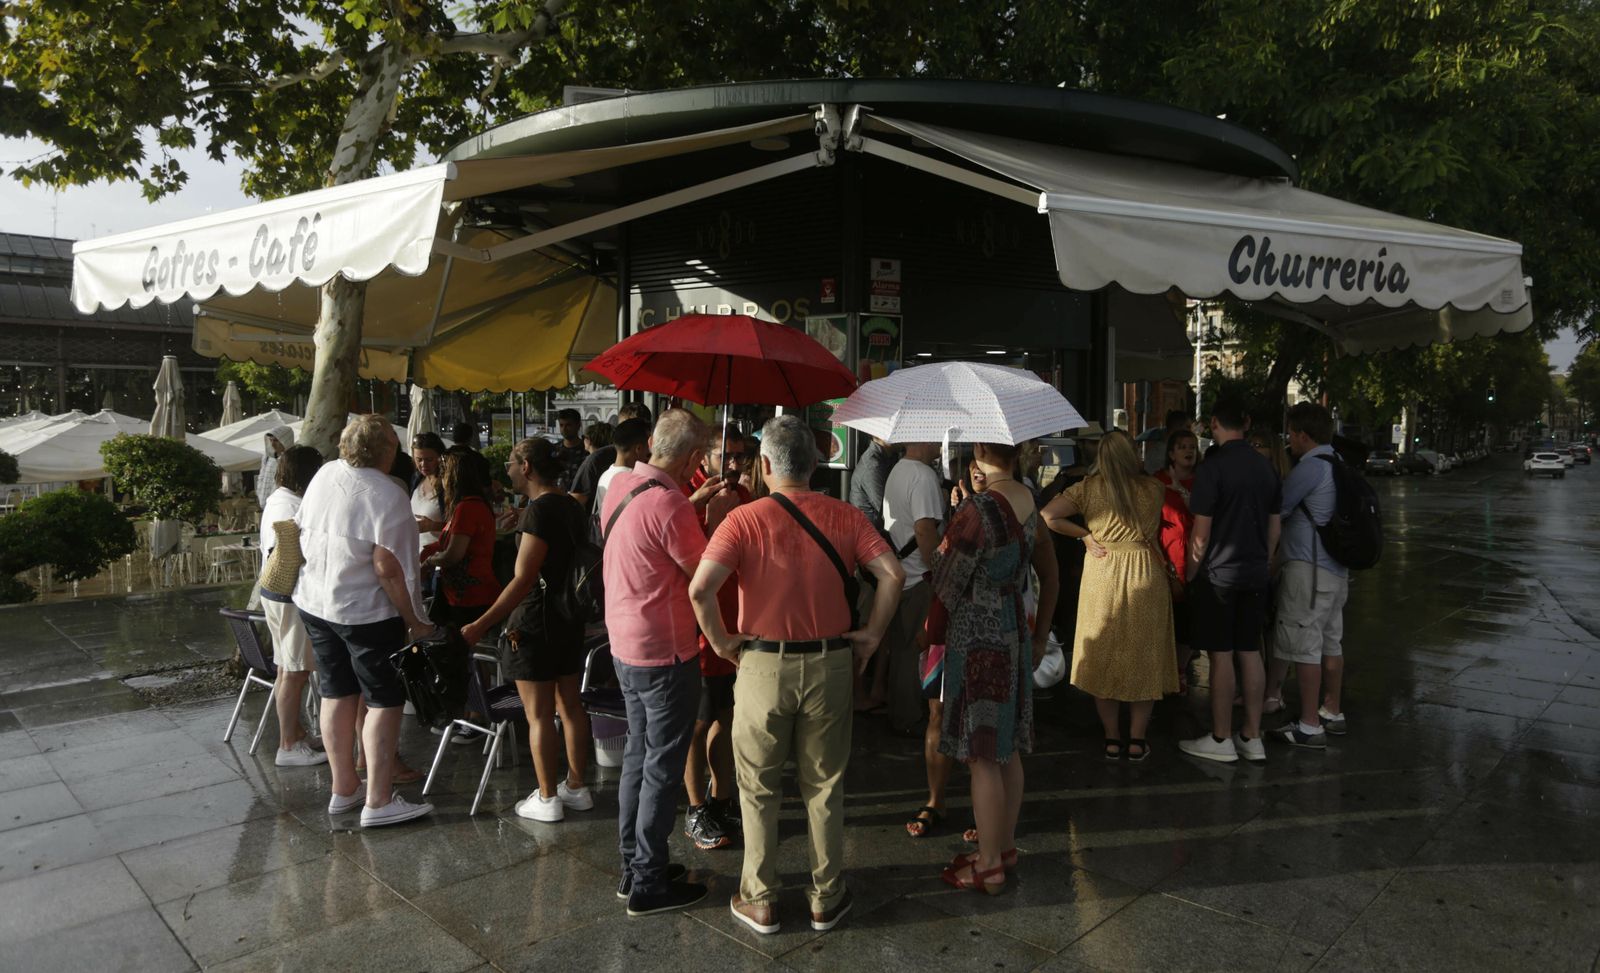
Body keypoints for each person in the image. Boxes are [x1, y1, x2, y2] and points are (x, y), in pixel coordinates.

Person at [689, 414, 903, 935]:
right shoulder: (846, 516)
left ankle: (760, 899)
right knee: (825, 785)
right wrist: (872, 636)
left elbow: (699, 590)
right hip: (831, 663)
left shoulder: (742, 520)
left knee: (757, 787)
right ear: (816, 463)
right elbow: (892, 574)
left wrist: (721, 643)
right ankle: (826, 898)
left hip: (761, 663)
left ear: (764, 465)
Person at [294, 414, 435, 827]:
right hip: (364, 612)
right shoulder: (388, 494)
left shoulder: (324, 474)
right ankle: (378, 798)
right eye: (396, 442)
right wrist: (414, 620)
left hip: (316, 601)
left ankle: (344, 789)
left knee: (336, 693)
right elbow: (387, 566)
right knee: (384, 701)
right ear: (387, 450)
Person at [599, 408, 712, 916]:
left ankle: (633, 865)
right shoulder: (672, 506)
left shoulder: (621, 485)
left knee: (639, 760)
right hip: (665, 653)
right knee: (663, 768)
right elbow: (704, 573)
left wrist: (691, 505)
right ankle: (648, 882)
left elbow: (651, 535)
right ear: (691, 459)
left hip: (624, 645)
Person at [932, 441, 1057, 894]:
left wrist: (956, 517)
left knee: (981, 753)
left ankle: (988, 865)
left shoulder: (979, 509)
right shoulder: (1028, 501)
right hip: (1012, 629)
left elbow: (946, 573)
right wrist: (1041, 635)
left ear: (981, 450)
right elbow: (1049, 572)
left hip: (977, 635)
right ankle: (1002, 846)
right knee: (1009, 748)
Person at [460, 439, 595, 820]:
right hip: (569, 618)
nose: (507, 469)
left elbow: (523, 579)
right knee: (570, 706)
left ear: (527, 468)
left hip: (536, 622)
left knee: (539, 716)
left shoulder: (538, 512)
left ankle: (548, 797)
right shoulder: (571, 504)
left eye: (511, 463)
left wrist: (481, 623)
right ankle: (576, 786)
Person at [1042, 430, 1176, 762]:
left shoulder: (1087, 489)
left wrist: (1084, 536)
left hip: (1103, 569)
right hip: (1144, 570)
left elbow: (1048, 515)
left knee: (1104, 655)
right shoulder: (1152, 489)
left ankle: (1112, 739)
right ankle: (1137, 740)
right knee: (1142, 656)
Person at [1177, 399, 1282, 764]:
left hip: (1219, 575)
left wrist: (1191, 572)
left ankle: (1221, 738)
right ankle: (1252, 737)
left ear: (1214, 424)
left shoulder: (1213, 468)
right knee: (1250, 651)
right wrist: (1265, 560)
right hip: (1255, 572)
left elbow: (1201, 535)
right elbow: (1274, 525)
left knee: (1221, 655)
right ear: (1247, 421)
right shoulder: (1266, 468)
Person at [681, 434, 750, 851]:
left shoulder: (741, 494)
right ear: (703, 457)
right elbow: (686, 563)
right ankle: (694, 808)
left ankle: (721, 797)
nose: (734, 462)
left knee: (727, 716)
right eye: (726, 454)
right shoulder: (686, 497)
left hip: (735, 624)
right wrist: (706, 516)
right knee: (699, 721)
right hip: (699, 629)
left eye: (741, 456)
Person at [1268, 403, 1348, 749]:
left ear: (1302, 434)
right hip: (1335, 570)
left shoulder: (1310, 467)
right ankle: (1332, 709)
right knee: (1331, 641)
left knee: (1305, 647)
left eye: (1290, 433)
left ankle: (1309, 724)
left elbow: (1279, 509)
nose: (1288, 440)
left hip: (1308, 571)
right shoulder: (1338, 463)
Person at [258, 444, 326, 767]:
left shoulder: (277, 499)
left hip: (274, 594)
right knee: (294, 671)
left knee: (287, 667)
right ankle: (287, 743)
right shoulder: (291, 506)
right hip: (290, 595)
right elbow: (289, 552)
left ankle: (296, 734)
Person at [877, 441, 945, 734]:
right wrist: (939, 570)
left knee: (902, 647)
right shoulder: (923, 475)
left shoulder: (898, 469)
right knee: (914, 650)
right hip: (920, 575)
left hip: (901, 571)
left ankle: (900, 714)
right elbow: (924, 530)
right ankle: (907, 718)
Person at [421, 446, 502, 630]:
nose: (441, 477)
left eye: (443, 471)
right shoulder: (469, 505)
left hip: (470, 598)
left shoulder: (468, 507)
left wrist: (427, 563)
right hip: (465, 595)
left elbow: (453, 555)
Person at [1155, 428, 1200, 694]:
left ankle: (1180, 671)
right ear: (1171, 453)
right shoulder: (1155, 482)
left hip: (1193, 563)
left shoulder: (1202, 482)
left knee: (1187, 625)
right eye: (1182, 446)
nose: (1188, 450)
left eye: (1192, 446)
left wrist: (1182, 492)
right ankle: (1162, 671)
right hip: (1164, 561)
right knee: (1164, 621)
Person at [570, 402, 652, 512]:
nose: (632, 432)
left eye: (639, 428)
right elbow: (576, 501)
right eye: (627, 426)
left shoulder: (653, 459)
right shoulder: (598, 459)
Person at [590, 419, 652, 535]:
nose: (649, 452)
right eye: (648, 446)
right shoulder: (634, 480)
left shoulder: (605, 475)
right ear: (638, 448)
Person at [848, 435, 895, 536]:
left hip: (874, 530)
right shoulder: (872, 465)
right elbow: (886, 508)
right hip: (870, 534)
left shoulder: (883, 458)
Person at [411, 431, 446, 551]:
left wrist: (433, 526)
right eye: (418, 459)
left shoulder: (447, 485)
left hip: (439, 557)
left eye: (429, 459)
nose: (423, 464)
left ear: (440, 458)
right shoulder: (416, 479)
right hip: (417, 556)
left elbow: (463, 527)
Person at [255, 422, 295, 509]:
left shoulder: (293, 460)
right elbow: (261, 477)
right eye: (271, 440)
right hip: (266, 504)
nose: (273, 444)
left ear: (285, 440)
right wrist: (259, 493)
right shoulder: (267, 457)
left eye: (276, 441)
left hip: (282, 505)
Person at [553, 407, 587, 488]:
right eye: (561, 425)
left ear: (578, 425)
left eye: (568, 425)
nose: (564, 429)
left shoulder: (587, 450)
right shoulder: (554, 450)